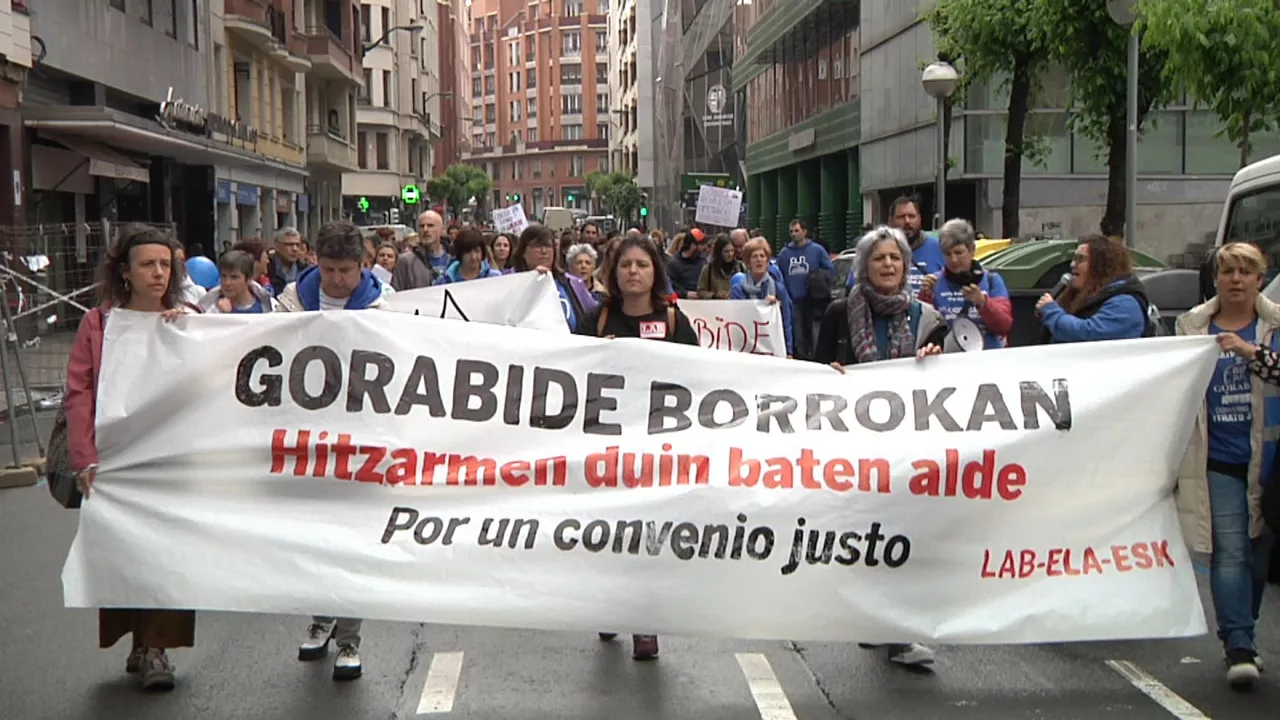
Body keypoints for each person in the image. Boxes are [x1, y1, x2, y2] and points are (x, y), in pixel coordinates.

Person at [65, 224, 198, 692]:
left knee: (169, 554)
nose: (159, 273)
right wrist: (84, 457)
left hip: (173, 462)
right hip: (116, 462)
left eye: (166, 264)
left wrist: (190, 332)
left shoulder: (190, 318)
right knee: (126, 551)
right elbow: (79, 392)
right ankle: (137, 642)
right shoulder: (99, 324)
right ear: (125, 272)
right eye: (148, 264)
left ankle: (157, 646)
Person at [813, 226, 945, 669]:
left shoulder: (928, 318)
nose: (888, 265)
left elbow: (957, 381)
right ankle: (876, 621)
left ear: (906, 266)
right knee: (869, 541)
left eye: (895, 258)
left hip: (911, 449)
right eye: (879, 259)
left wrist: (935, 357)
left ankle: (899, 635)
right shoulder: (838, 312)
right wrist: (830, 373)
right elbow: (813, 376)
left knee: (902, 538)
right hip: (857, 449)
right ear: (864, 267)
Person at [574, 234, 698, 660]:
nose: (633, 272)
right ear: (614, 272)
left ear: (655, 272)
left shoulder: (676, 322)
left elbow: (703, 381)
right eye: (625, 265)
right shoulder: (597, 320)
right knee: (610, 533)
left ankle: (646, 623)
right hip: (608, 447)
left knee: (650, 536)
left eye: (642, 265)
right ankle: (611, 606)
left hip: (660, 448)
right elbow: (568, 374)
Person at [1175, 241, 1279, 690]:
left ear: (1261, 277)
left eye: (1245, 271)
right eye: (1228, 271)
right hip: (1216, 458)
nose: (1236, 279)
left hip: (1271, 462)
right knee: (1231, 552)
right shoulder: (1192, 326)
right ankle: (1239, 644)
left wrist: (1249, 352)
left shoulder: (1274, 326)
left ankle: (1244, 625)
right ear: (1215, 278)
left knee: (1260, 560)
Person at [918, 218, 1013, 349]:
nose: (954, 259)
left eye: (958, 252)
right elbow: (921, 331)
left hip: (988, 360)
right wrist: (925, 296)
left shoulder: (992, 280)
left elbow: (1004, 325)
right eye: (947, 254)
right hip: (948, 361)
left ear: (972, 251)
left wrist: (983, 302)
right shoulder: (934, 283)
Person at [1035, 234, 1148, 343]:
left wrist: (1052, 312)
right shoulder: (1087, 296)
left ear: (1101, 265)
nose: (1073, 264)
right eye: (1074, 258)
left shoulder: (1125, 304)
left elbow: (1088, 334)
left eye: (1080, 259)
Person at [778, 218, 835, 359]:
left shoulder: (817, 250)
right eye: (791, 231)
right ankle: (802, 359)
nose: (793, 234)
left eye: (797, 231)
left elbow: (831, 271)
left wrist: (818, 277)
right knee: (798, 334)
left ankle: (816, 359)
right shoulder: (785, 253)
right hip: (794, 301)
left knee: (815, 334)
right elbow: (779, 276)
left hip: (814, 301)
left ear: (804, 231)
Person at [729, 237, 794, 357]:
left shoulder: (778, 289)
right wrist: (761, 308)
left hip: (773, 349)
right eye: (754, 256)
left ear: (768, 261)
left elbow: (786, 320)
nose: (759, 260)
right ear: (748, 262)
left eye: (762, 256)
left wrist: (789, 351)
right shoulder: (738, 290)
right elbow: (735, 321)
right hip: (747, 349)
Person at [198, 250, 277, 313]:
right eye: (223, 276)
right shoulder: (210, 308)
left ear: (248, 279)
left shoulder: (271, 306)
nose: (227, 283)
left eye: (234, 277)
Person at [433, 228, 503, 284]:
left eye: (477, 251)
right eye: (468, 252)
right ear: (460, 253)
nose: (473, 257)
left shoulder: (495, 278)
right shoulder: (444, 282)